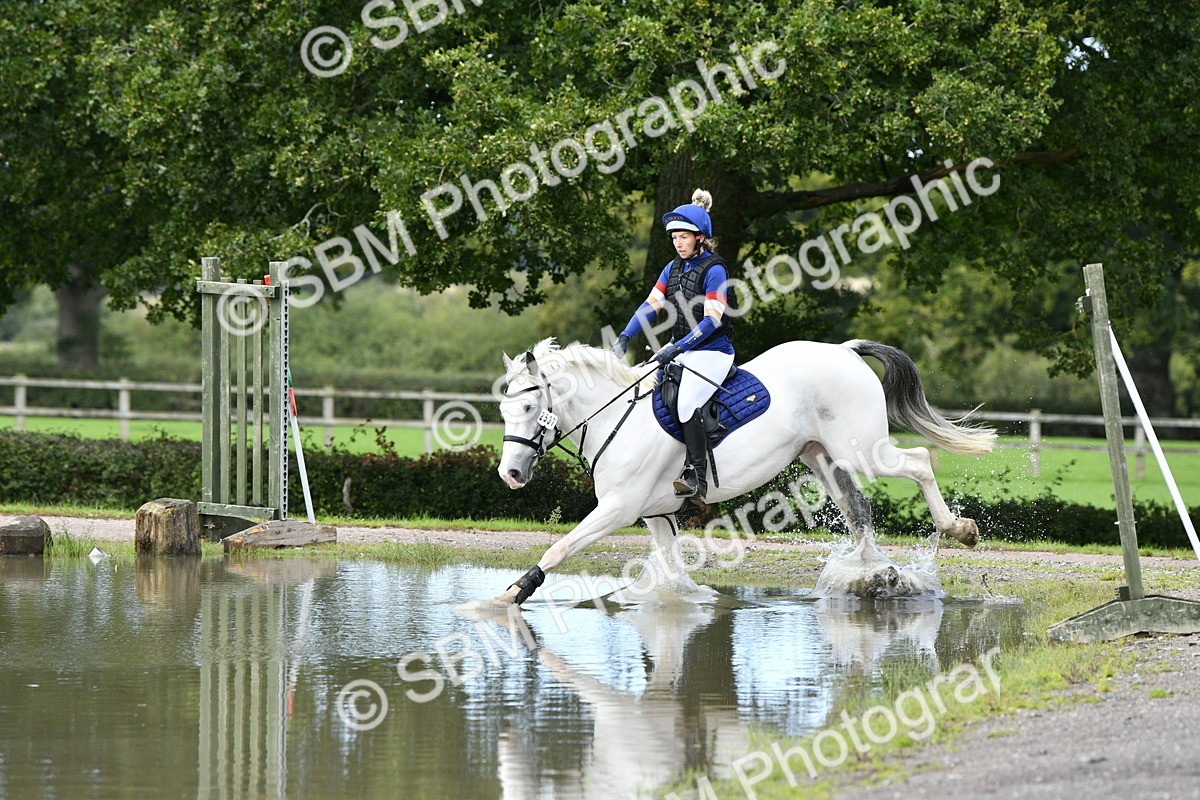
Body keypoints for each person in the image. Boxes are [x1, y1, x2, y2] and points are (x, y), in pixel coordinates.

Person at [611, 188, 734, 502]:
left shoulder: (715, 269)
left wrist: (677, 348)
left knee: (687, 403)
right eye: (675, 237)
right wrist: (625, 337)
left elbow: (712, 321)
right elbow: (650, 306)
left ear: (700, 238)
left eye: (684, 237)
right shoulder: (673, 268)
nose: (678, 243)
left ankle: (697, 477)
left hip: (712, 352)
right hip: (681, 349)